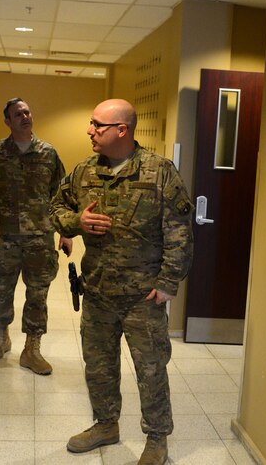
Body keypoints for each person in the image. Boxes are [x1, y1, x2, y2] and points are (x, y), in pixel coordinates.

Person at [50, 99, 193, 465]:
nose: (90, 130)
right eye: (91, 123)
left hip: (144, 295)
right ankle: (105, 425)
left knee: (150, 369)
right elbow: (55, 209)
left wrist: (168, 282)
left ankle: (157, 437)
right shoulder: (83, 172)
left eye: (98, 124)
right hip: (97, 290)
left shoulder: (159, 172)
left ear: (122, 130)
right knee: (98, 365)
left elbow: (179, 231)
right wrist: (76, 223)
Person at [0, 97, 72, 374]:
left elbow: (61, 194)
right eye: (18, 114)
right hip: (3, 238)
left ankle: (32, 348)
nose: (25, 117)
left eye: (27, 112)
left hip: (39, 238)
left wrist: (65, 232)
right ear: (7, 121)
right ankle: (1, 336)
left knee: (38, 294)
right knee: (1, 291)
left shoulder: (48, 153)